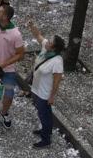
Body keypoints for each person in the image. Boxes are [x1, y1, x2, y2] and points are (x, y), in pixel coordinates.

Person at [25, 19, 65, 149]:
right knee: (41, 112)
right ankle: (44, 130)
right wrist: (32, 25)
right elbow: (38, 35)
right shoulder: (45, 47)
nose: (47, 41)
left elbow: (57, 80)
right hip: (36, 89)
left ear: (53, 47)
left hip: (44, 92)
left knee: (45, 114)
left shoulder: (57, 61)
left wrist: (52, 96)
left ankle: (46, 138)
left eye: (51, 41)